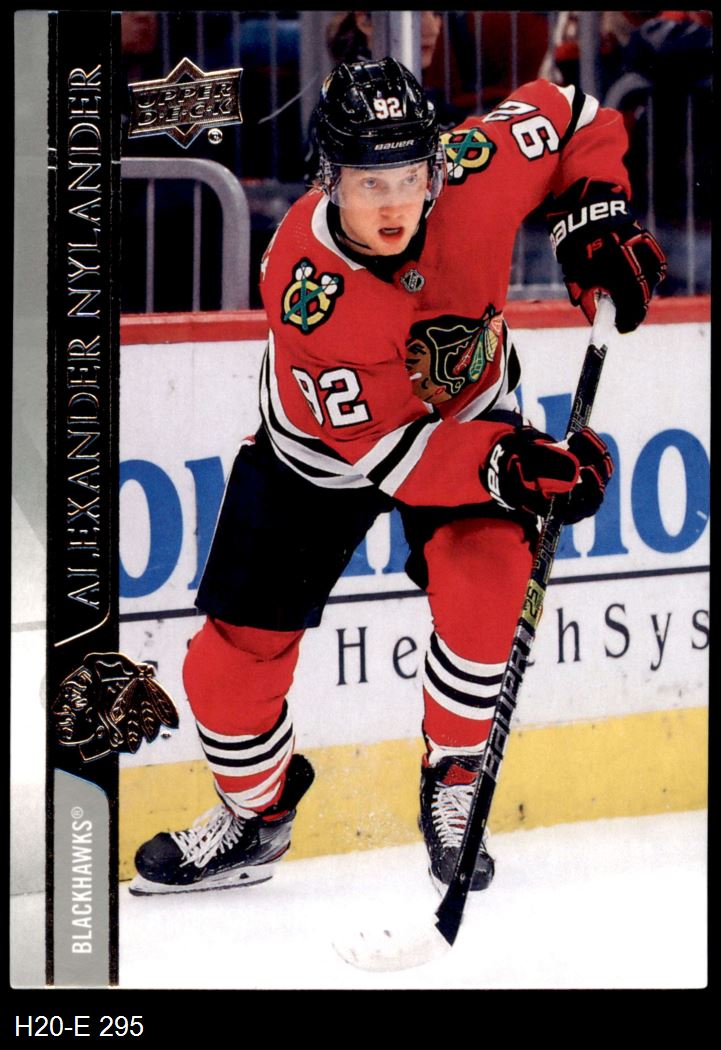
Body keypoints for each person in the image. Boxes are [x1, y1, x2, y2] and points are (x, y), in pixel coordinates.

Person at [130, 59, 666, 896]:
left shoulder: (476, 170)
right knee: (227, 669)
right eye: (366, 182)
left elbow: (571, 113)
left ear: (436, 164)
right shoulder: (308, 289)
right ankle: (254, 816)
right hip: (320, 455)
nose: (392, 205)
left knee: (489, 588)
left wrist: (593, 212)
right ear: (327, 179)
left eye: (410, 177)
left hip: (465, 415)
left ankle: (453, 778)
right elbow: (390, 453)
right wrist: (511, 466)